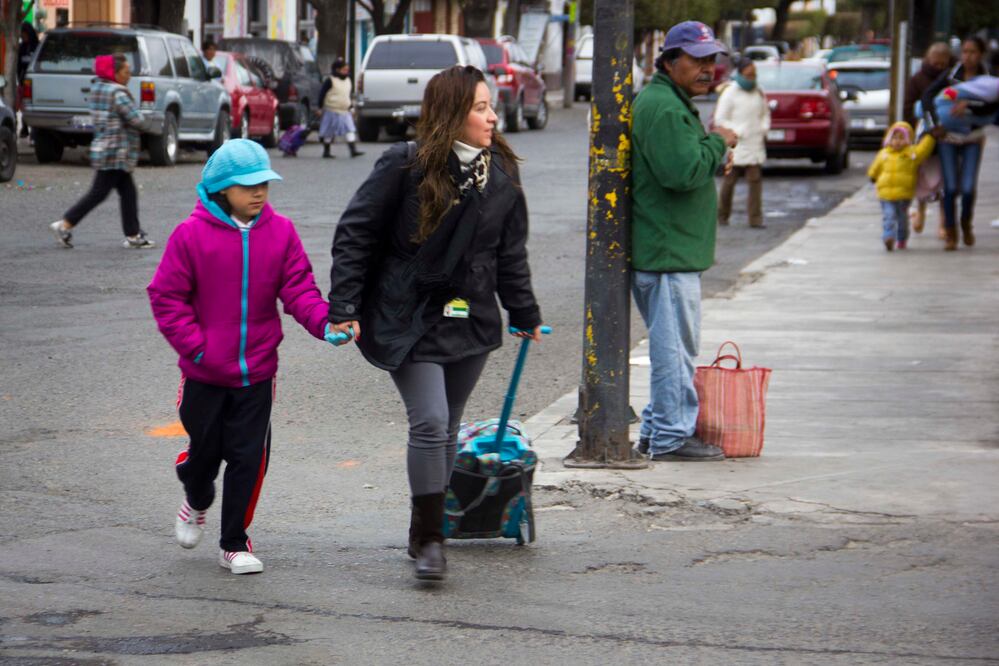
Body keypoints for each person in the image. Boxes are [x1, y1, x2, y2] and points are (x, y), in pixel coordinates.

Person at [328, 65, 544, 581]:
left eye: (491, 106)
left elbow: (508, 255)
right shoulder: (404, 165)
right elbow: (355, 234)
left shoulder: (503, 175)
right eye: (479, 107)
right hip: (408, 315)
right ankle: (431, 540)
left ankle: (421, 523)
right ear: (451, 113)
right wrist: (345, 308)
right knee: (428, 421)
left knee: (447, 426)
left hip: (470, 319)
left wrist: (525, 312)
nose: (493, 117)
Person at [148, 139, 340, 575]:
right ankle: (196, 498)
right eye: (247, 185)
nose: (259, 192)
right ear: (220, 189)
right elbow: (166, 296)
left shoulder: (282, 232)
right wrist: (197, 347)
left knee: (249, 458)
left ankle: (234, 542)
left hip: (257, 373)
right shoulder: (190, 235)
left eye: (265, 184)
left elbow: (299, 289)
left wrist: (325, 324)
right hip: (203, 373)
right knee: (205, 454)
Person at [630, 21, 738, 462]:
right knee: (675, 350)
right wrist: (717, 143)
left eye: (712, 59)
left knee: (674, 346)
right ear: (670, 61)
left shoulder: (669, 102)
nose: (708, 68)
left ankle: (658, 429)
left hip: (670, 249)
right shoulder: (665, 108)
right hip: (667, 252)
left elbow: (684, 163)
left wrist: (709, 153)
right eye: (697, 60)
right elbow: (680, 173)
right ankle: (673, 436)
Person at [49, 54, 154, 249]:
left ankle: (133, 234)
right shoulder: (117, 93)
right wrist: (150, 122)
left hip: (105, 148)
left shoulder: (97, 88)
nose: (129, 76)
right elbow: (136, 119)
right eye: (125, 72)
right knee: (98, 193)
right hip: (116, 151)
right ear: (114, 73)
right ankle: (64, 224)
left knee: (128, 193)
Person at [921, 36, 991, 250]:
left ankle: (966, 223)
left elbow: (992, 108)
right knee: (950, 187)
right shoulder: (951, 76)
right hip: (948, 137)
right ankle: (950, 231)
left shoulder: (987, 80)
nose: (968, 57)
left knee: (968, 188)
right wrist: (935, 126)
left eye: (973, 52)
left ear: (981, 55)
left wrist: (968, 106)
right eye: (965, 52)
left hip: (972, 137)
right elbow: (929, 97)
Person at [715, 57, 770, 228]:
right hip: (737, 143)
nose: (751, 78)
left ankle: (755, 218)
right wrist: (736, 131)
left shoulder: (758, 91)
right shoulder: (730, 92)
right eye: (748, 75)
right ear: (740, 74)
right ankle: (722, 216)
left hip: (755, 141)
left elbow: (765, 113)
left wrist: (763, 128)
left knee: (755, 180)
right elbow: (720, 119)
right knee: (730, 180)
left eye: (754, 75)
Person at [904, 42, 951, 235]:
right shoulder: (917, 79)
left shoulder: (951, 78)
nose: (939, 67)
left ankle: (943, 222)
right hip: (923, 136)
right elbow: (907, 107)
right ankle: (921, 212)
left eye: (942, 64)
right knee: (922, 177)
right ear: (928, 60)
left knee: (943, 181)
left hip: (946, 134)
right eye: (935, 63)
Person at [867, 122, 936, 251]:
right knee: (889, 215)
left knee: (902, 219)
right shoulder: (884, 154)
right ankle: (888, 236)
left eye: (901, 138)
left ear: (908, 139)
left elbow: (923, 149)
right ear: (889, 139)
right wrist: (872, 176)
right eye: (894, 137)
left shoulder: (911, 154)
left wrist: (930, 136)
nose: (897, 141)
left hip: (904, 195)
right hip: (885, 194)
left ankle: (902, 238)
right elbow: (876, 167)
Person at [317, 57, 363, 159]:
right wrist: (320, 108)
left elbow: (347, 96)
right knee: (328, 131)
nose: (346, 72)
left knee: (350, 129)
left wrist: (351, 107)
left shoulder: (348, 80)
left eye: (347, 70)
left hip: (345, 110)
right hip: (331, 110)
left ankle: (353, 150)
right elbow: (322, 94)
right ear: (337, 70)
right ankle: (326, 151)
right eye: (344, 69)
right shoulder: (330, 80)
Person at [17, 23, 40, 138]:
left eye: (25, 34)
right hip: (24, 81)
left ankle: (34, 132)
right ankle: (25, 128)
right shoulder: (22, 47)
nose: (23, 36)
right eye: (22, 34)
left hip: (36, 82)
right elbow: (18, 65)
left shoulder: (37, 46)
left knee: (34, 107)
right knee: (25, 106)